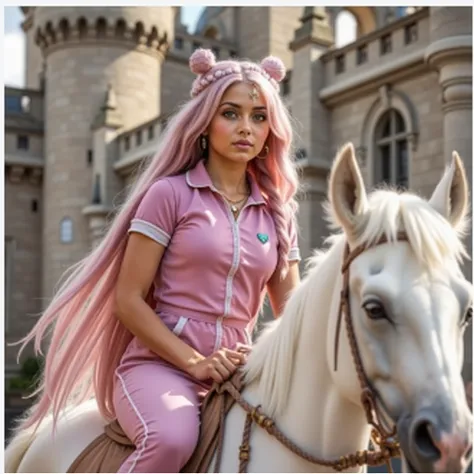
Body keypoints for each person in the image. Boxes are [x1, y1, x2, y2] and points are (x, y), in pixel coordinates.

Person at [13, 48, 301, 472]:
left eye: (259, 117)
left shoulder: (277, 213)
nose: (246, 128)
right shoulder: (169, 195)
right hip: (160, 367)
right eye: (231, 113)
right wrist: (196, 362)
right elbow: (128, 300)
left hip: (239, 369)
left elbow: (292, 313)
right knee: (171, 440)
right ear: (205, 123)